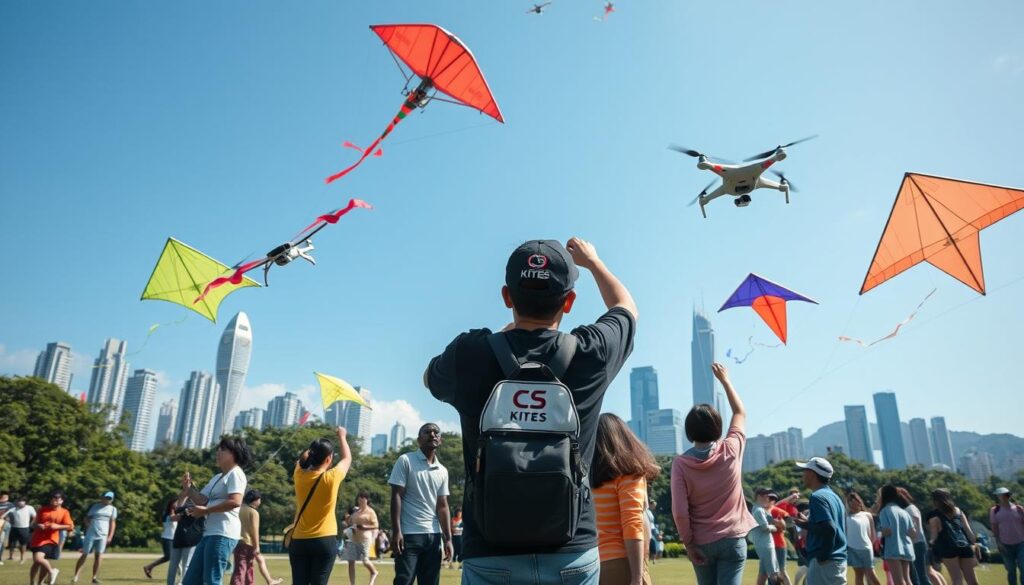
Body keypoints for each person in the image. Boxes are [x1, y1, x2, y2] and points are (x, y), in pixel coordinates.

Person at [425, 237, 637, 585]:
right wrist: (593, 262)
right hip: (572, 551)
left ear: (507, 296)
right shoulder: (591, 353)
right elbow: (626, 308)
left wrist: (500, 340)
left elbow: (428, 378)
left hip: (490, 552)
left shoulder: (469, 352)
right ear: (569, 302)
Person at [671, 363, 755, 585]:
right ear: (717, 428)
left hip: (702, 542)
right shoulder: (731, 448)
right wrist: (725, 381)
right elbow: (740, 412)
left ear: (688, 432)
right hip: (733, 538)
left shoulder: (681, 464)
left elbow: (680, 512)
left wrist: (688, 543)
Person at [590, 412, 659, 585]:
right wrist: (637, 577)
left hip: (590, 563)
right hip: (621, 562)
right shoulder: (629, 474)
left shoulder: (588, 479)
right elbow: (632, 523)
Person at [179, 436, 251, 585]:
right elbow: (202, 499)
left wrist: (205, 511)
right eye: (218, 449)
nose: (218, 452)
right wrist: (188, 489)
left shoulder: (236, 473)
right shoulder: (218, 477)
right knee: (190, 581)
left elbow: (235, 501)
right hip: (209, 533)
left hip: (223, 533)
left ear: (235, 454)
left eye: (223, 449)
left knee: (211, 580)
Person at [388, 423, 452, 585]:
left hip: (433, 537)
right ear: (419, 439)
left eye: (436, 432)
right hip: (409, 534)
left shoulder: (442, 470)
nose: (432, 434)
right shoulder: (406, 460)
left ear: (440, 440)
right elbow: (396, 496)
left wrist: (448, 539)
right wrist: (396, 532)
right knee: (404, 580)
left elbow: (442, 506)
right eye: (427, 432)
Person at [289, 426, 352, 585]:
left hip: (299, 540)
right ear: (329, 459)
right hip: (324, 540)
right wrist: (342, 437)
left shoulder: (299, 474)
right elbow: (347, 459)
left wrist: (312, 448)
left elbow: (302, 458)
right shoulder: (331, 478)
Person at [794, 457, 847, 585]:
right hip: (837, 560)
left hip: (825, 561)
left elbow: (830, 529)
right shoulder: (834, 496)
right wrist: (809, 523)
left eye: (805, 470)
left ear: (812, 474)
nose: (803, 475)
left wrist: (806, 524)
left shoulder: (817, 497)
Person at [927, 489, 979, 585]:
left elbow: (934, 536)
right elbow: (969, 532)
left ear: (935, 500)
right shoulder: (958, 511)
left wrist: (930, 546)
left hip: (947, 547)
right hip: (964, 545)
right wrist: (975, 545)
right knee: (972, 580)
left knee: (957, 579)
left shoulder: (933, 515)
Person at [72, 490, 118, 584]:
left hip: (103, 536)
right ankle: (76, 576)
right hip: (91, 534)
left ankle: (94, 577)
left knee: (99, 556)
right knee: (84, 554)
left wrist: (110, 536)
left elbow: (113, 523)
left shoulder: (113, 509)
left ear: (112, 499)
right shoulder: (95, 506)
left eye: (110, 498)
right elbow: (86, 518)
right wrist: (88, 526)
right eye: (106, 497)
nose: (108, 499)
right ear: (102, 497)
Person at [29, 490, 74, 585]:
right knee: (37, 561)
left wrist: (58, 526)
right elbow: (33, 524)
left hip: (52, 539)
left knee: (40, 560)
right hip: (38, 538)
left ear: (62, 500)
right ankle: (35, 580)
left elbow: (70, 526)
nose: (54, 500)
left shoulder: (64, 512)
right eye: (53, 498)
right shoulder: (42, 509)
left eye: (57, 498)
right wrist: (38, 525)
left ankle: (43, 579)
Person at [878, 485, 917, 585]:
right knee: (907, 579)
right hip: (907, 548)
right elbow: (912, 533)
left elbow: (887, 531)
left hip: (893, 549)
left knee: (898, 581)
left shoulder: (884, 511)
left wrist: (880, 533)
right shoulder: (904, 512)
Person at [342, 491, 380, 585]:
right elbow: (349, 522)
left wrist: (365, 527)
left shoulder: (371, 512)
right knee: (351, 562)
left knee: (365, 561)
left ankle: (374, 572)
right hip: (353, 539)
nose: (360, 500)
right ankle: (352, 583)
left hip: (365, 539)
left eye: (363, 498)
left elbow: (376, 525)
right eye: (359, 498)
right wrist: (347, 519)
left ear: (367, 500)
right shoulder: (356, 511)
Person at [894, 488, 930, 585]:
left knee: (921, 575)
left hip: (916, 544)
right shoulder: (905, 510)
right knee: (914, 576)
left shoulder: (910, 508)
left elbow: (916, 525)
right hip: (913, 544)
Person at [845, 492, 882, 585]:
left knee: (871, 573)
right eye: (850, 502)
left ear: (859, 502)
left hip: (866, 548)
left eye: (855, 501)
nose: (852, 503)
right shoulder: (846, 517)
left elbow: (872, 534)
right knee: (858, 574)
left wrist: (871, 545)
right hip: (852, 548)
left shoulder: (867, 515)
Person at [990, 487, 1024, 585]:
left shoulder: (1019, 509)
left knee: (1023, 567)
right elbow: (994, 527)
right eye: (1000, 495)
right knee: (1011, 570)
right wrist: (998, 542)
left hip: (1021, 543)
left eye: (1005, 494)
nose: (1002, 497)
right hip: (1005, 545)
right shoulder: (995, 510)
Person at [143, 498, 179, 580]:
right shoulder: (167, 516)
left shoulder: (174, 514)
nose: (178, 505)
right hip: (167, 538)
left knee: (175, 557)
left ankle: (149, 567)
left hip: (174, 539)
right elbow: (174, 518)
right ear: (172, 505)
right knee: (168, 557)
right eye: (176, 503)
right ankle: (149, 566)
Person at [752, 489, 782, 585]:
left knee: (763, 573)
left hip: (762, 544)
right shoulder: (759, 510)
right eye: (766, 497)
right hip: (766, 545)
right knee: (774, 572)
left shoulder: (756, 508)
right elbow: (765, 527)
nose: (768, 499)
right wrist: (775, 527)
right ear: (759, 497)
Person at [768, 493, 794, 585]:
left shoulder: (776, 511)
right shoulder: (764, 511)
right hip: (769, 545)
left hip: (778, 544)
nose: (771, 501)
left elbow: (787, 522)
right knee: (771, 571)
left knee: (782, 571)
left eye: (772, 499)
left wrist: (778, 523)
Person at [5, 495, 35, 564]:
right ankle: (10, 556)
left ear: (25, 502)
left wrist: (32, 524)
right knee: (12, 543)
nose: (20, 502)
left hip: (24, 528)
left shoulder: (29, 508)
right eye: (19, 501)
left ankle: (22, 558)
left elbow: (35, 516)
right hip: (14, 527)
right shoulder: (13, 509)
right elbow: (5, 516)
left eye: (22, 501)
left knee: (23, 544)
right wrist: (7, 519)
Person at [0, 490, 14, 565]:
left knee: (3, 543)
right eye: (4, 496)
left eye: (7, 496)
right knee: (0, 542)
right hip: (0, 524)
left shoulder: (11, 505)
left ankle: (0, 558)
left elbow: (13, 514)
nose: (6, 497)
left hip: (7, 525)